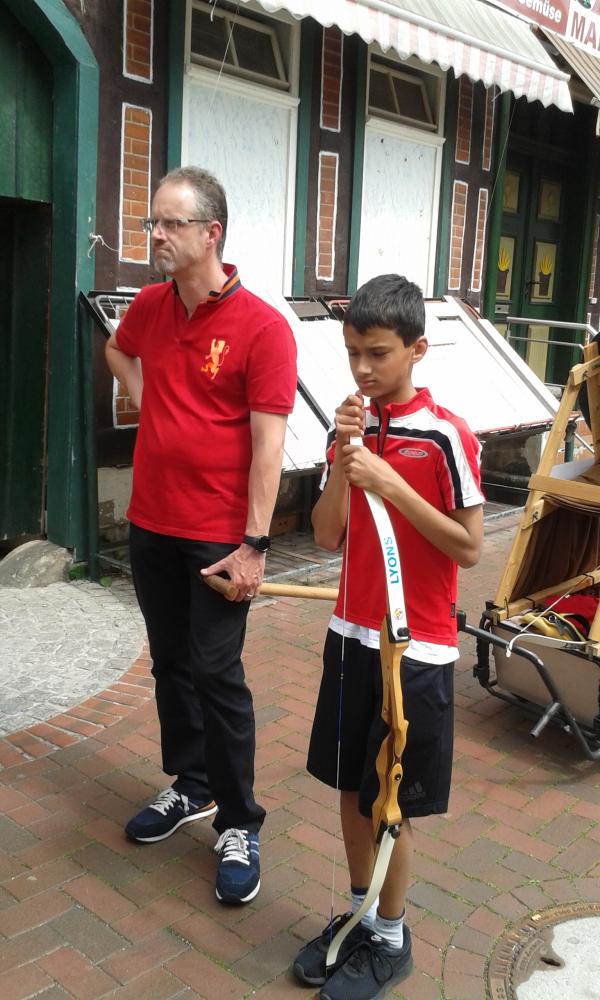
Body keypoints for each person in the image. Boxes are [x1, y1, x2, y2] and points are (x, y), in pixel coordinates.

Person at [105, 166, 297, 905]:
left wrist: (255, 545)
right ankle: (191, 784)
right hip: (151, 521)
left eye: (169, 223)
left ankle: (240, 820)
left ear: (211, 233)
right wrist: (147, 397)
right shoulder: (150, 306)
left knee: (218, 674)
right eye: (151, 222)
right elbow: (118, 350)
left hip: (219, 536)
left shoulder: (262, 328)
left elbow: (269, 447)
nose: (154, 234)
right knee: (170, 663)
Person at [292, 274, 484, 999]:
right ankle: (362, 915)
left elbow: (468, 547)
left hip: (416, 644)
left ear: (416, 349)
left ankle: (392, 937)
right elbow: (325, 536)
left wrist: (391, 483)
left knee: (389, 802)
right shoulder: (348, 428)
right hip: (350, 635)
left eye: (377, 353)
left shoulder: (445, 435)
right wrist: (346, 462)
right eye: (352, 353)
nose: (363, 369)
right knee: (349, 787)